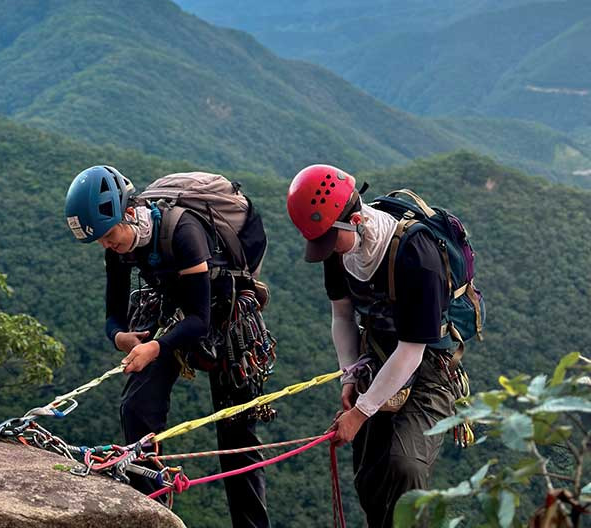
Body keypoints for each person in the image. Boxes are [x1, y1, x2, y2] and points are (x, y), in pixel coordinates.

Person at [65, 164, 270, 528]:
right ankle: (151, 510)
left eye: (108, 234)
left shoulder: (183, 231)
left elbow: (200, 320)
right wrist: (121, 337)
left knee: (236, 432)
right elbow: (113, 314)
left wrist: (155, 348)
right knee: (136, 407)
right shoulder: (119, 246)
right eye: (99, 239)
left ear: (129, 213)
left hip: (222, 310)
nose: (105, 244)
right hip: (172, 310)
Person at [286, 164, 464, 528]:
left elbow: (413, 350)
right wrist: (348, 376)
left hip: (429, 364)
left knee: (404, 467)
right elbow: (342, 316)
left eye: (330, 239)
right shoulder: (338, 249)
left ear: (355, 219)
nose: (328, 250)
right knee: (370, 479)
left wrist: (360, 412)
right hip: (376, 355)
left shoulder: (417, 254)